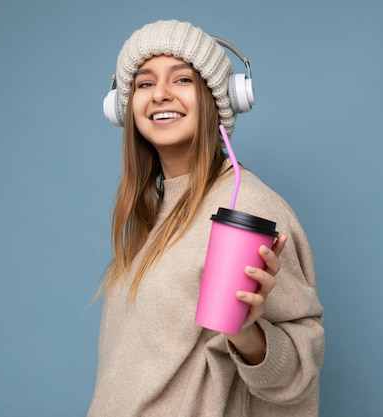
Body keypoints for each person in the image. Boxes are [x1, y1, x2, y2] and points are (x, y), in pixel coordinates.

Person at [87, 20, 324, 416]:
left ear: (218, 97)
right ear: (124, 107)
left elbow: (298, 372)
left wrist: (247, 335)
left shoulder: (245, 207)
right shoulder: (155, 210)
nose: (160, 94)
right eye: (144, 84)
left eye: (181, 79)